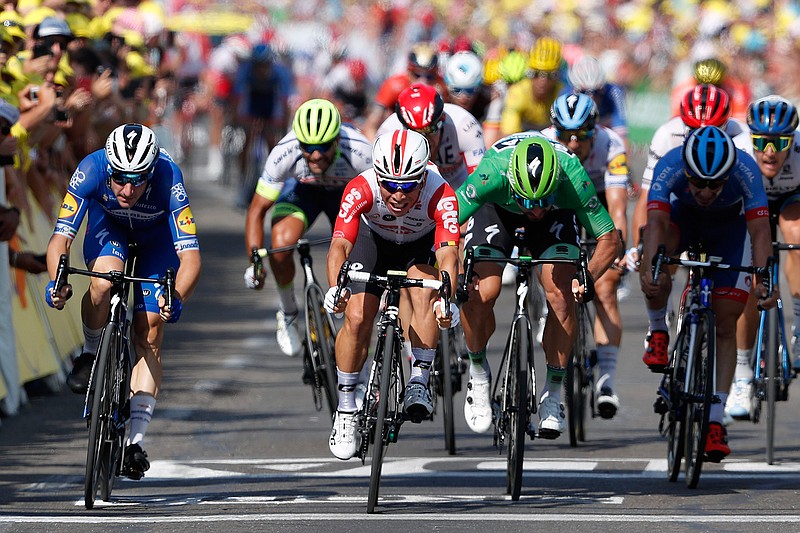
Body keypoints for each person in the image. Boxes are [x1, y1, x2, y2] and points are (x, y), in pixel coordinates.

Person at [45, 123, 202, 480]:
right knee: (102, 283)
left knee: (150, 329)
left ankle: (135, 440)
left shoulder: (168, 176)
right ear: (108, 169)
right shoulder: (90, 168)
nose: (128, 189)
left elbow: (191, 258)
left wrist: (175, 297)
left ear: (151, 172)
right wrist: (57, 281)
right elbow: (60, 240)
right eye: (119, 180)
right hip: (109, 229)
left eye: (138, 180)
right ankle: (90, 352)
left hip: (156, 241)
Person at [455, 133, 621, 437]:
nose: (534, 211)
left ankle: (553, 393)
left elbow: (610, 239)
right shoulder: (492, 172)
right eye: (528, 203)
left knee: (561, 295)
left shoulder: (572, 178)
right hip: (498, 210)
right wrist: (452, 268)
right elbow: (447, 223)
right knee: (481, 291)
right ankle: (478, 372)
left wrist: (587, 277)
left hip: (556, 219)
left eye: (542, 202)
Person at [639, 126, 775, 462]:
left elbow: (759, 231)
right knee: (658, 259)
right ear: (686, 171)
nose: (705, 190)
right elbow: (654, 223)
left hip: (729, 231)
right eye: (698, 182)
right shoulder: (670, 164)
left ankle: (715, 421)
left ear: (728, 175)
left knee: (726, 322)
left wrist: (764, 280)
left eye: (715, 184)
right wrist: (648, 269)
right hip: (681, 223)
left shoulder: (746, 170)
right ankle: (658, 329)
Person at [324, 130, 460, 460]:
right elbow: (340, 245)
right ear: (378, 176)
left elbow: (449, 255)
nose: (398, 195)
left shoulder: (440, 192)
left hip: (419, 246)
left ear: (422, 177)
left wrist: (447, 297)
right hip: (374, 242)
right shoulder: (361, 187)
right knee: (356, 317)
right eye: (390, 185)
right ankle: (345, 408)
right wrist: (336, 289)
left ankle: (419, 378)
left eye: (408, 186)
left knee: (426, 292)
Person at [244, 99, 371, 357]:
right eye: (308, 147)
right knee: (280, 244)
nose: (315, 154)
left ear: (337, 139)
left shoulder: (360, 151)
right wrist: (255, 263)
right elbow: (257, 210)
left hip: (347, 195)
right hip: (304, 193)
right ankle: (288, 312)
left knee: (356, 251)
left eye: (323, 146)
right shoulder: (284, 152)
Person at [542, 93, 629, 419]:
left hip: (598, 206)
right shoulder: (544, 143)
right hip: (558, 204)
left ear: (597, 130)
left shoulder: (612, 145)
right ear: (555, 132)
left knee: (606, 288)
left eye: (582, 135)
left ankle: (606, 380)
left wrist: (617, 252)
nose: (574, 143)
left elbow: (618, 209)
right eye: (565, 135)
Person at [727, 96, 800, 419]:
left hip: (792, 198)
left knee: (796, 236)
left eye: (780, 142)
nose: (770, 151)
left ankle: (798, 323)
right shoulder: (739, 151)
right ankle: (742, 374)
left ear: (792, 140)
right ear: (751, 138)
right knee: (750, 274)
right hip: (750, 201)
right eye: (763, 142)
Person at [629, 84, 747, 272]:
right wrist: (639, 249)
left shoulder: (742, 136)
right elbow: (647, 196)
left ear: (727, 123)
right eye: (692, 130)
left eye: (714, 130)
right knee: (659, 263)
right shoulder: (667, 135)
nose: (703, 137)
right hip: (683, 204)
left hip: (727, 210)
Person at [377, 82, 485, 189]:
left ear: (442, 120)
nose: (425, 140)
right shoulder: (387, 133)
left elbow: (481, 182)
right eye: (415, 133)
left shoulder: (464, 125)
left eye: (430, 130)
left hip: (459, 186)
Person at [362, 43, 448, 140]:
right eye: (417, 75)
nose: (423, 81)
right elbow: (371, 125)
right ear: (408, 72)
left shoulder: (443, 85)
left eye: (429, 76)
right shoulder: (393, 85)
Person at [500, 37, 564, 136]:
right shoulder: (518, 93)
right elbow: (508, 135)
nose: (543, 81)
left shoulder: (562, 93)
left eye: (550, 75)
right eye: (536, 74)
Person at [564, 55, 628, 144]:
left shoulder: (614, 92)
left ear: (603, 87)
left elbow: (621, 138)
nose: (591, 97)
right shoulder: (566, 95)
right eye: (584, 92)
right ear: (575, 90)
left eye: (596, 92)